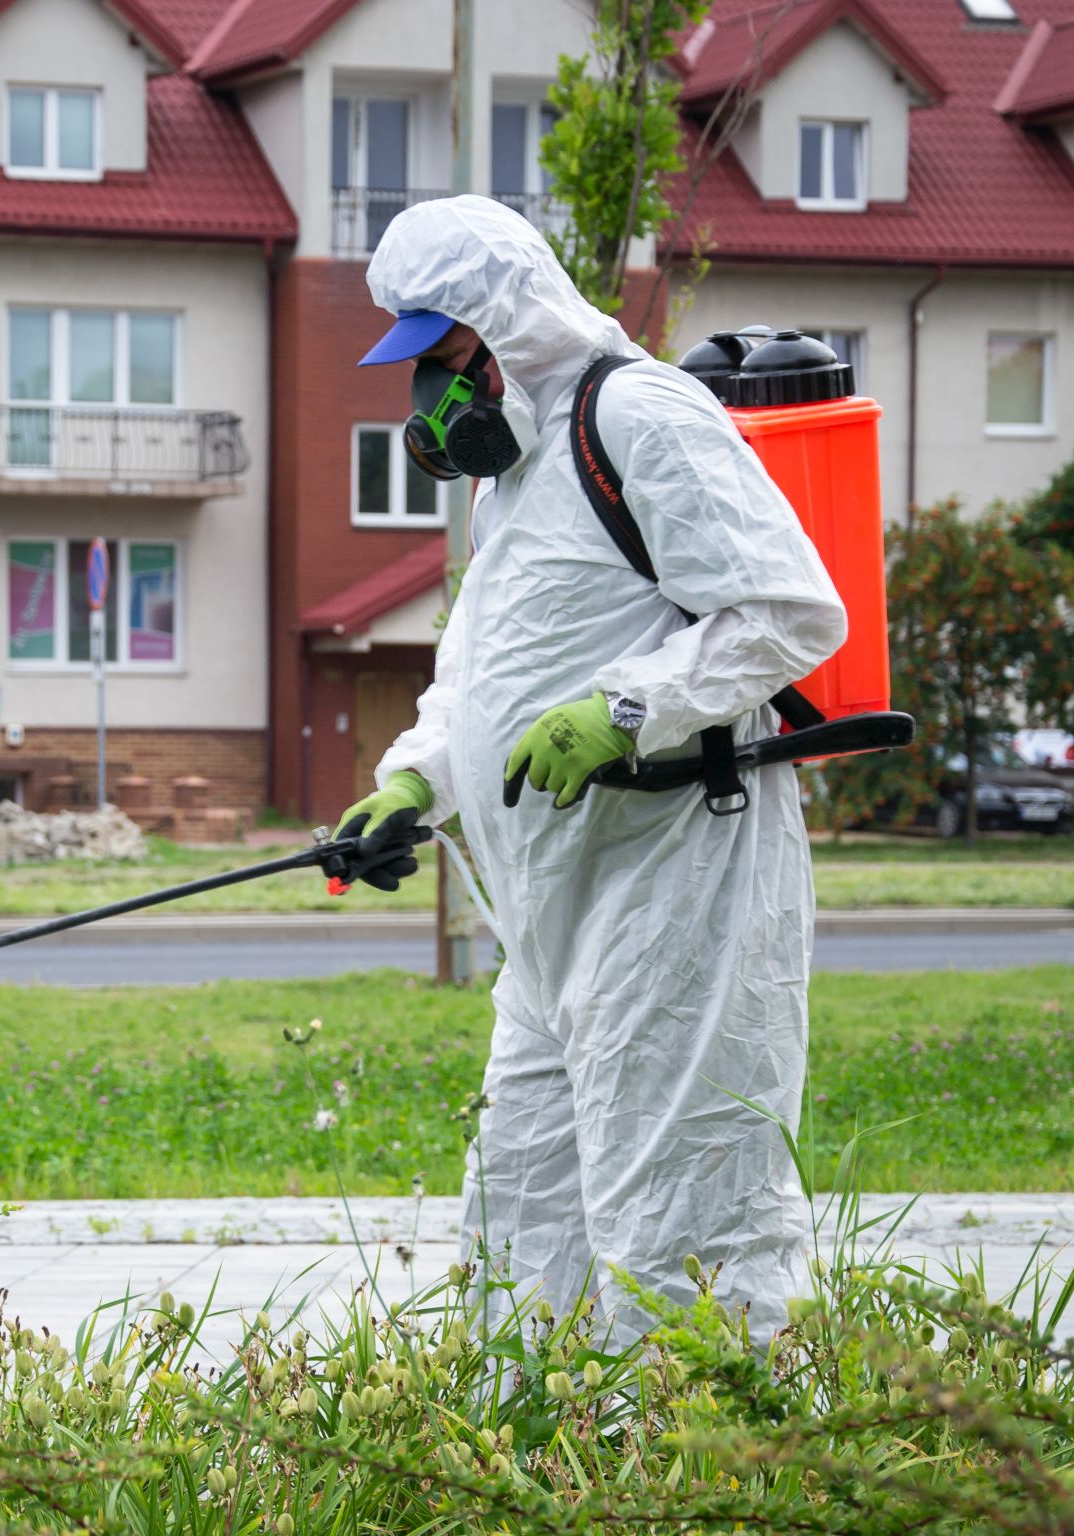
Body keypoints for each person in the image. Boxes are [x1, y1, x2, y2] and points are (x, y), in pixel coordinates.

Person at [335, 196, 847, 1338]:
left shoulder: (641, 416)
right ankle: (527, 1466)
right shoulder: (502, 479)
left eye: (447, 353)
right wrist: (415, 781)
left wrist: (626, 710)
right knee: (521, 1218)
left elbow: (790, 613)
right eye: (416, 363)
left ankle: (715, 1470)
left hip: (675, 882)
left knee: (684, 1210)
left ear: (506, 319)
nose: (434, 391)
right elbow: (482, 671)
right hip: (549, 920)